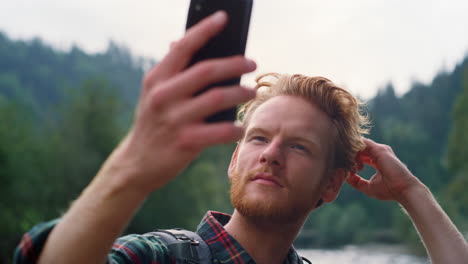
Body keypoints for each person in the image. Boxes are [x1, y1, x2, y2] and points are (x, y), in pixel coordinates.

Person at [14, 11, 468, 264]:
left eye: (298, 146)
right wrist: (134, 162)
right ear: (234, 160)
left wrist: (413, 193)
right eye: (258, 138)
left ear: (331, 185)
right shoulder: (158, 258)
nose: (270, 155)